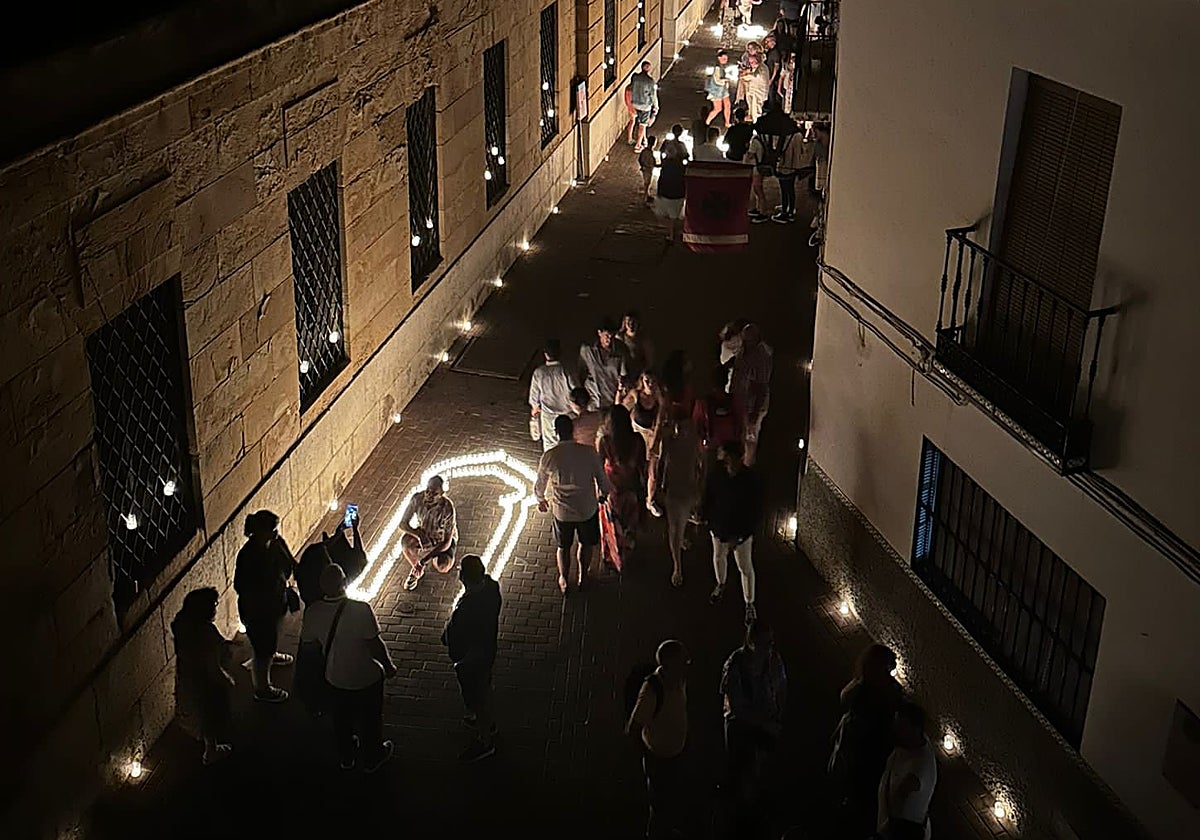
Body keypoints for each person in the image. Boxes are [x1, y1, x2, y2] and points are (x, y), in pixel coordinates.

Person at [300, 564, 397, 772]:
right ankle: (373, 756)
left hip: (334, 676)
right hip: (366, 676)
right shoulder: (361, 609)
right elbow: (375, 645)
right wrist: (388, 666)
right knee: (371, 718)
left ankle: (346, 756)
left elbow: (310, 647)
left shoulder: (313, 612)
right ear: (345, 583)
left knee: (341, 718)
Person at [721, 621, 787, 835]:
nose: (769, 647)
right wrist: (765, 724)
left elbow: (781, 686)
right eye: (764, 643)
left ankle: (753, 801)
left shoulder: (773, 660)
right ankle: (740, 814)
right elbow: (737, 707)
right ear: (750, 642)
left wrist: (777, 714)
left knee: (758, 764)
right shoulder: (735, 666)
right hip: (740, 727)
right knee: (741, 767)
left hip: (766, 724)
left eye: (771, 642)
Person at [829, 644, 904, 834]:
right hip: (863, 748)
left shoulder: (883, 689)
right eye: (887, 668)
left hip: (874, 749)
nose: (890, 673)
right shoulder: (866, 690)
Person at [535, 414, 613, 594]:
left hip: (562, 512)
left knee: (563, 546)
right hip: (587, 509)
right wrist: (603, 496)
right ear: (573, 431)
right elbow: (603, 481)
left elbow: (540, 485)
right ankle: (582, 576)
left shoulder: (550, 456)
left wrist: (541, 499)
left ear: (556, 433)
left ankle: (564, 578)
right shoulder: (589, 453)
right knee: (586, 544)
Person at [626, 639, 691, 840]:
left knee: (670, 798)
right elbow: (634, 726)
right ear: (670, 664)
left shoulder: (680, 680)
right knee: (660, 802)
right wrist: (646, 755)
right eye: (683, 661)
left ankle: (665, 830)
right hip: (658, 757)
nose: (687, 664)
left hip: (675, 752)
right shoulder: (652, 690)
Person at [442, 554, 502, 763]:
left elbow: (454, 636)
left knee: (477, 695)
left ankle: (485, 740)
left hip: (470, 660)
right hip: (486, 651)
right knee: (484, 686)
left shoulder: (467, 607)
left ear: (463, 578)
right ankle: (487, 723)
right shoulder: (492, 587)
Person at [233, 510, 296, 703]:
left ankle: (271, 654)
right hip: (259, 611)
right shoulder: (248, 555)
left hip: (274, 603)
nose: (276, 533)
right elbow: (240, 585)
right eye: (272, 529)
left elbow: (288, 565)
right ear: (259, 531)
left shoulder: (274, 545)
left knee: (270, 639)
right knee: (262, 649)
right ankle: (262, 688)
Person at [171, 587, 234, 765]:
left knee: (200, 713)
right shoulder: (206, 633)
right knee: (210, 715)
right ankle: (211, 751)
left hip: (189, 680)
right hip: (206, 683)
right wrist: (226, 679)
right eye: (214, 605)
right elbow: (212, 665)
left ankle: (209, 747)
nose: (216, 609)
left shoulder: (182, 626)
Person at [701, 440, 761, 623]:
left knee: (745, 567)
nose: (727, 463)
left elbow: (755, 512)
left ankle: (749, 603)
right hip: (719, 530)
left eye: (730, 459)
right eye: (725, 459)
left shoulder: (750, 481)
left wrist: (742, 536)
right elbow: (707, 498)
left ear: (739, 459)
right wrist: (706, 519)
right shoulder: (716, 475)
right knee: (718, 557)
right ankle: (721, 584)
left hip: (740, 534)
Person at [877, 702, 937, 840]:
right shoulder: (913, 742)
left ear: (914, 728)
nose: (895, 730)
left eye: (901, 727)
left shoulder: (918, 769)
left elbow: (899, 797)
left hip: (903, 831)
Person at [655, 415, 702, 587]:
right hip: (675, 490)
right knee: (674, 528)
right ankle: (677, 566)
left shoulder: (693, 443)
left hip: (687, 489)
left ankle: (680, 543)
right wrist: (658, 487)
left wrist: (699, 489)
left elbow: (700, 467)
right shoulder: (669, 442)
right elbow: (661, 465)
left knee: (679, 524)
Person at [598, 404, 647, 558]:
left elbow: (599, 469)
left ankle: (614, 557)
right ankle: (629, 553)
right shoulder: (637, 440)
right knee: (629, 526)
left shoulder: (605, 442)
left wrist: (599, 491)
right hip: (631, 489)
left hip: (611, 491)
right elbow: (642, 467)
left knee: (613, 527)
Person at [398, 475, 458, 591]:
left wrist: (424, 561)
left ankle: (426, 561)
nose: (429, 496)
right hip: (424, 534)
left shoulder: (447, 508)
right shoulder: (417, 499)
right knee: (406, 542)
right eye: (427, 491)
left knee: (443, 566)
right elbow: (402, 524)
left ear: (441, 495)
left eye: (434, 494)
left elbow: (446, 541)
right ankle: (416, 570)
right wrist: (418, 534)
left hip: (441, 540)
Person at [731, 323, 773, 465]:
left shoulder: (761, 356)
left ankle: (746, 468)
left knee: (749, 442)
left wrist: (754, 413)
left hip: (751, 407)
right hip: (741, 404)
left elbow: (761, 386)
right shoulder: (743, 352)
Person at [530, 338, 578, 451]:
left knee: (550, 449)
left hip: (548, 417)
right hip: (568, 415)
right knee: (569, 445)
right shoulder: (566, 371)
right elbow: (576, 391)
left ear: (546, 355)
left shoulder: (539, 372)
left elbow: (534, 401)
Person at [579, 316, 628, 409]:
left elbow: (624, 375)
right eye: (607, 335)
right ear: (599, 333)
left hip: (612, 399)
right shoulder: (587, 350)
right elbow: (581, 373)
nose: (609, 339)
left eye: (612, 336)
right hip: (593, 400)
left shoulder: (620, 349)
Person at [622, 369, 665, 457]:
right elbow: (621, 409)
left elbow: (659, 422)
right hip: (636, 432)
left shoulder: (659, 399)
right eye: (647, 381)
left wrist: (654, 442)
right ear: (642, 380)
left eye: (653, 382)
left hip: (650, 434)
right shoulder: (636, 394)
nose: (650, 384)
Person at [654, 150, 687, 244]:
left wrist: (659, 191)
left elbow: (662, 179)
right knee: (674, 215)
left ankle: (672, 234)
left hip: (668, 193)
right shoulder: (682, 166)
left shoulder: (666, 166)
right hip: (678, 194)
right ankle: (674, 232)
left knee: (668, 215)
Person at [630, 61, 659, 152]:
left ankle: (644, 140)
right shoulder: (650, 81)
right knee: (642, 125)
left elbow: (631, 88)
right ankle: (638, 145)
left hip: (635, 103)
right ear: (648, 69)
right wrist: (656, 106)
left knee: (641, 123)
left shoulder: (635, 77)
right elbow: (653, 95)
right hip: (645, 105)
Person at [619, 310, 655, 383]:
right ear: (624, 324)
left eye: (633, 322)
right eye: (628, 322)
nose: (630, 325)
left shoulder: (643, 339)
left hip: (639, 376)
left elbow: (649, 359)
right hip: (623, 375)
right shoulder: (620, 338)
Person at [705, 50, 732, 128]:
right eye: (723, 59)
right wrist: (725, 80)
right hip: (717, 90)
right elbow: (717, 79)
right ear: (719, 58)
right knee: (718, 108)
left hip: (722, 89)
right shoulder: (717, 68)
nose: (725, 60)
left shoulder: (721, 67)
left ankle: (727, 122)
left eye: (726, 59)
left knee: (727, 105)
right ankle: (707, 122)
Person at [740, 54, 770, 123]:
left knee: (756, 112)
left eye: (752, 62)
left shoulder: (762, 68)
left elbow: (755, 76)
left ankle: (757, 128)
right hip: (753, 92)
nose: (751, 64)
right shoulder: (758, 68)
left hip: (758, 94)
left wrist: (744, 76)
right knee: (752, 111)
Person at [638, 135, 658, 205]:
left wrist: (642, 166)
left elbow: (639, 159)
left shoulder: (644, 151)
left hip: (645, 169)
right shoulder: (650, 152)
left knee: (646, 182)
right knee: (647, 183)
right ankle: (645, 198)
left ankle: (647, 195)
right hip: (648, 169)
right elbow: (653, 162)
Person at [624, 80, 637, 145]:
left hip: (630, 107)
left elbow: (626, 99)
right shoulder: (634, 90)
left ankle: (630, 137)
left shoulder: (627, 88)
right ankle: (630, 138)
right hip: (634, 107)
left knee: (632, 122)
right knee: (633, 122)